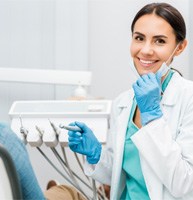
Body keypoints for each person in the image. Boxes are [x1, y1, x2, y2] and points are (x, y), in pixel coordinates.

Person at [67, 2, 193, 200]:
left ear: (179, 47)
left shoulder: (189, 99)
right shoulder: (123, 102)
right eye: (139, 38)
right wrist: (96, 154)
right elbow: (118, 175)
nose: (146, 50)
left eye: (159, 41)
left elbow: (186, 185)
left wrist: (152, 118)